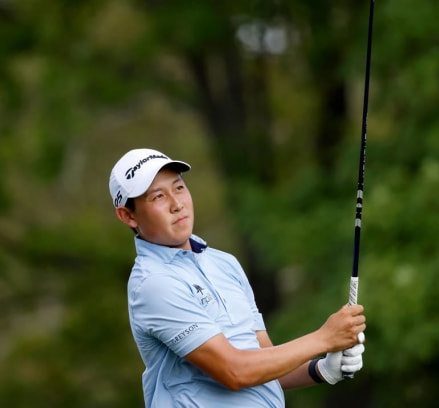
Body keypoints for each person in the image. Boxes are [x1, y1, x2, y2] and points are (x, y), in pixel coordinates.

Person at [109, 148, 366, 407]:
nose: (177, 204)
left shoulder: (223, 263)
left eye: (178, 188)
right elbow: (234, 372)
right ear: (128, 215)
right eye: (158, 197)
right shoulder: (154, 283)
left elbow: (264, 361)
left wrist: (322, 369)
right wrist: (323, 338)